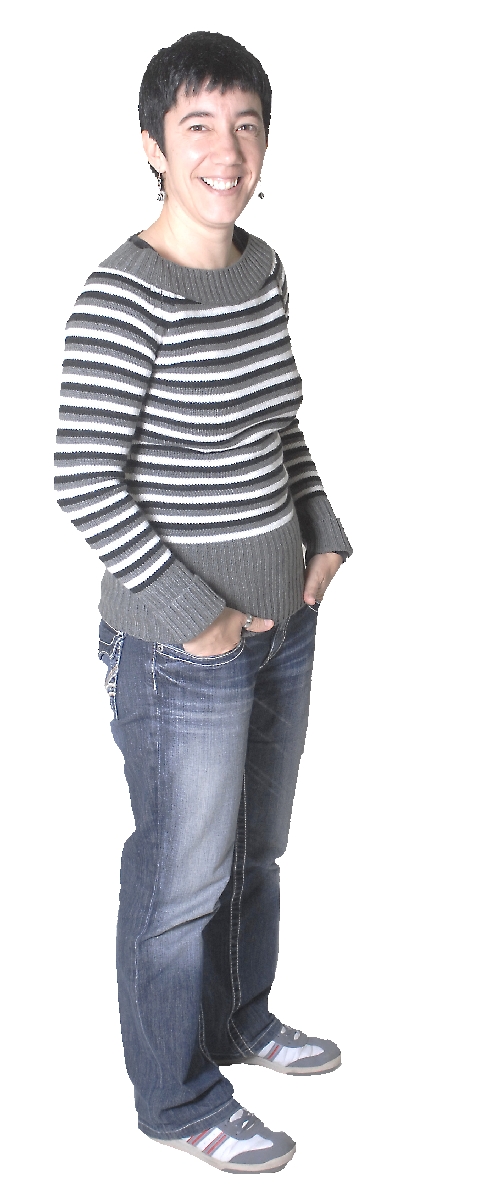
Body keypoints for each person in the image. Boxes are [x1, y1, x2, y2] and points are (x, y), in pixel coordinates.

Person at [55, 31, 352, 1174]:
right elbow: (83, 478)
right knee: (179, 882)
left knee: (254, 853)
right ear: (152, 145)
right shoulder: (121, 294)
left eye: (244, 125)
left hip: (284, 628)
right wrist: (202, 618)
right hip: (179, 651)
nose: (224, 151)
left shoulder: (263, 270)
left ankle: (237, 1021)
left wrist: (322, 533)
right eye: (197, 127)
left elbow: (279, 427)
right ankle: (176, 1099)